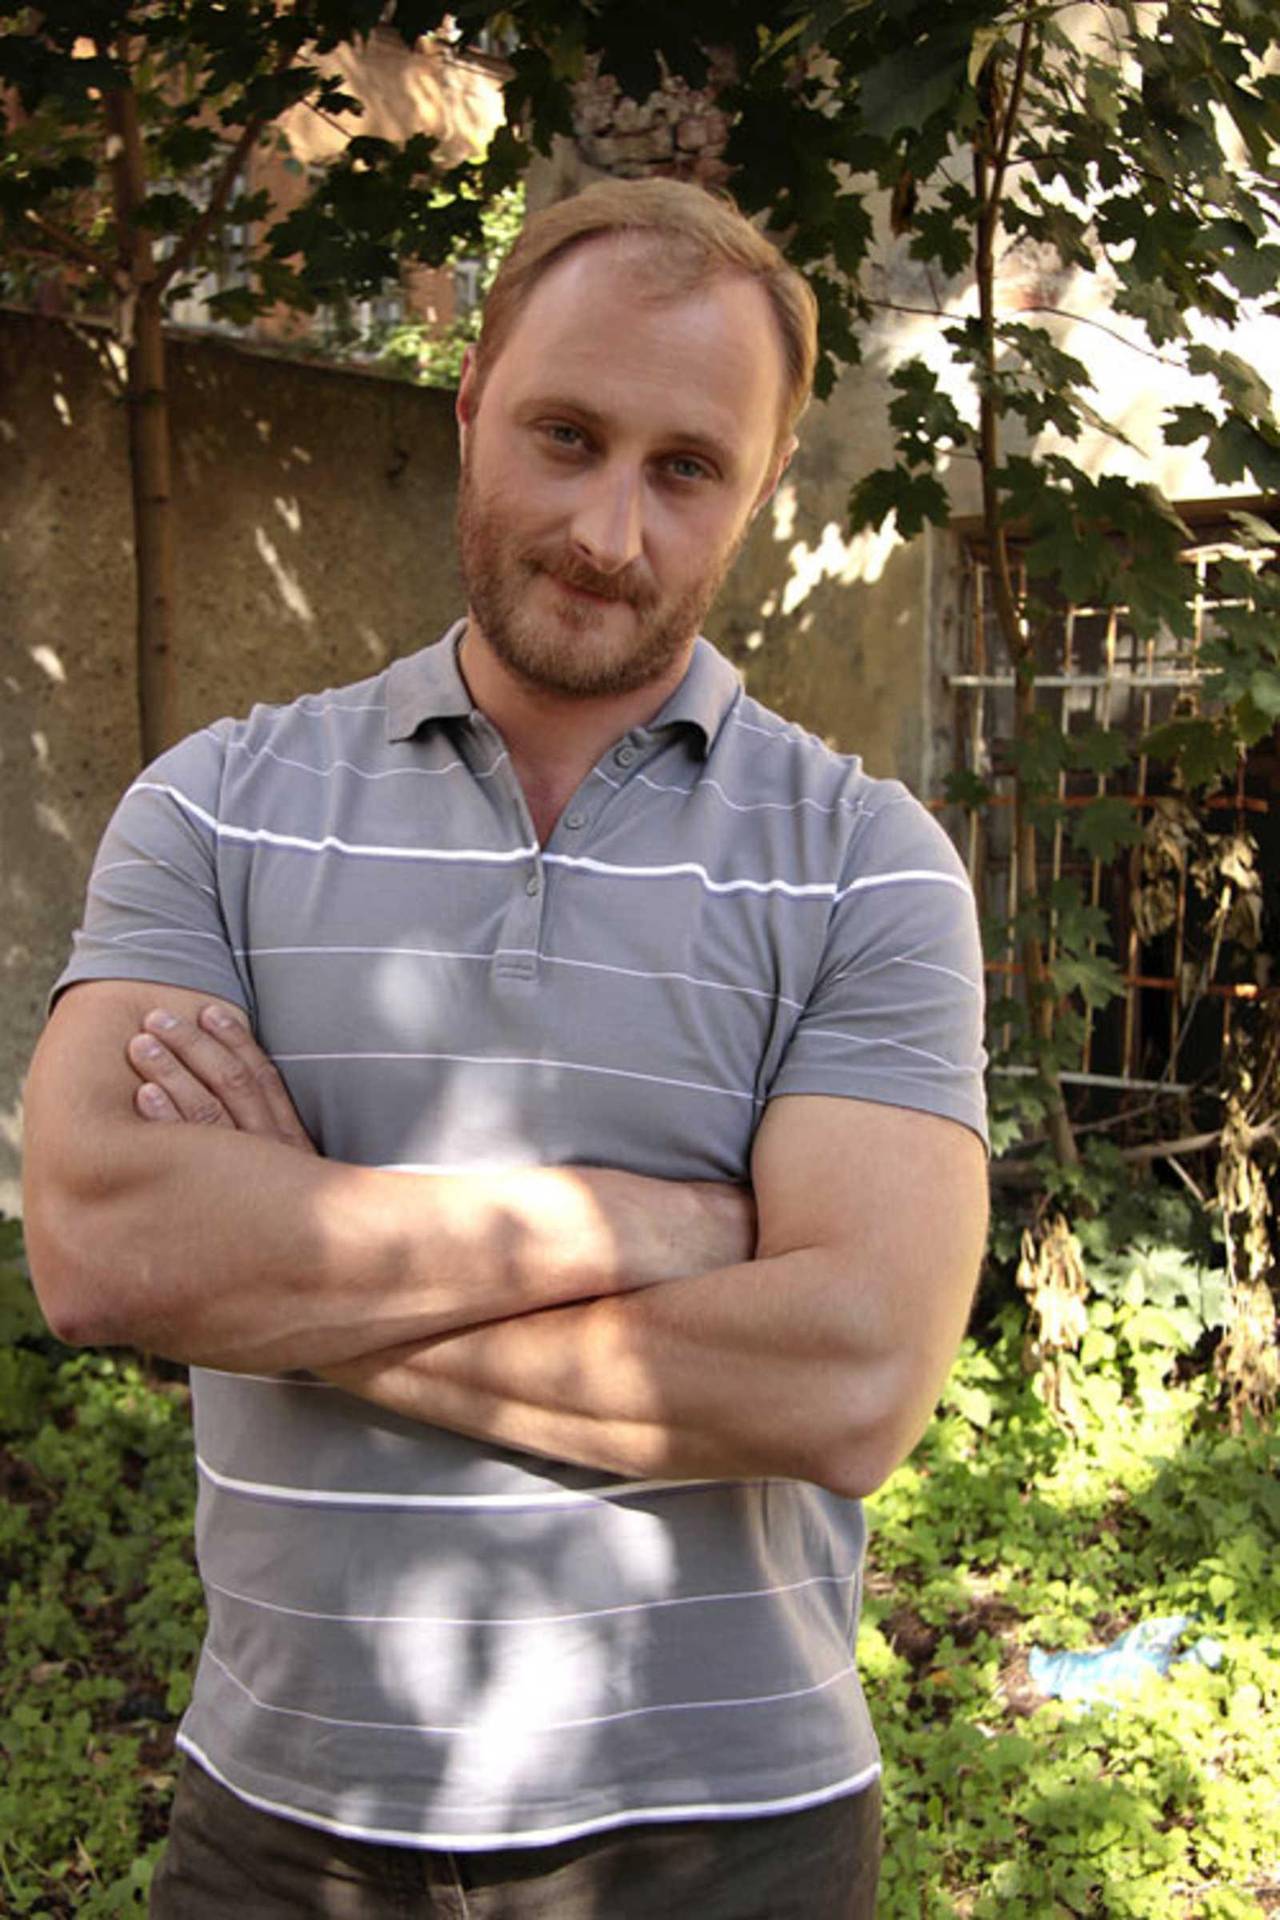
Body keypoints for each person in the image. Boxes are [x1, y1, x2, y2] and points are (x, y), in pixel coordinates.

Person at [23, 177, 989, 1918]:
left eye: (685, 468)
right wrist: (653, 1224)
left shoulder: (869, 865)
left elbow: (850, 1380)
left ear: (761, 488)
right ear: (470, 405)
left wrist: (290, 1266)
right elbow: (102, 1248)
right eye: (565, 435)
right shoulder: (216, 812)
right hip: (283, 1829)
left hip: (730, 1843)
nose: (609, 531)